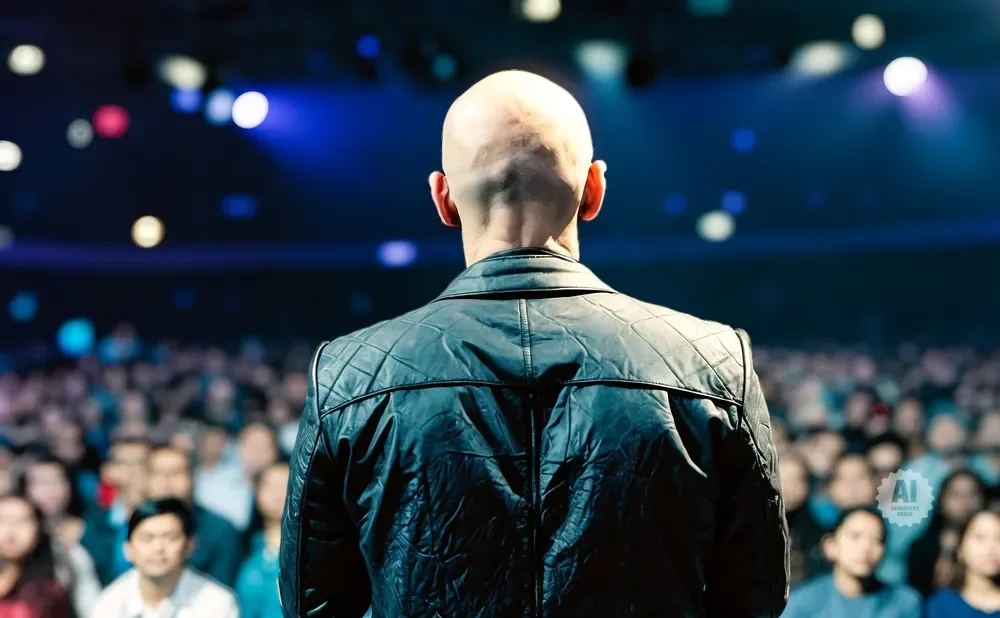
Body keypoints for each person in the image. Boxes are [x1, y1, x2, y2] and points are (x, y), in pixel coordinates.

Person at [279, 69, 789, 617]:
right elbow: (754, 598)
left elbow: (315, 603)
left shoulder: (349, 376)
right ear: (594, 190)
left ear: (443, 198)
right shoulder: (712, 363)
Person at [91, 498, 239, 618]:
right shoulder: (109, 604)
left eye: (170, 538)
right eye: (147, 538)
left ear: (190, 545)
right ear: (127, 549)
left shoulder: (218, 605)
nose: (158, 548)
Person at [781, 507, 922, 618]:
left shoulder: (904, 602)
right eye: (855, 536)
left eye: (877, 540)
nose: (866, 547)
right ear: (830, 546)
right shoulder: (803, 603)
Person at [145, 444, 244, 585]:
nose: (166, 480)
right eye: (158, 473)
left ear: (192, 477)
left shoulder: (221, 530)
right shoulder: (135, 525)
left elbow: (224, 589)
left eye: (176, 472)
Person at [80, 435, 150, 585]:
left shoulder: (171, 518)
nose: (134, 471)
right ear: (108, 472)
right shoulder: (94, 523)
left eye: (141, 463)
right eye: (125, 464)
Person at [0, 494, 71, 618]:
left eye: (22, 521)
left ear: (38, 528)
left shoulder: (56, 581)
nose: (11, 531)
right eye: (3, 520)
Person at [236, 461, 289, 618]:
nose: (279, 493)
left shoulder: (319, 548)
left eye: (287, 485)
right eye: (271, 486)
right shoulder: (241, 546)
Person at [926, 510, 1000, 617]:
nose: (991, 546)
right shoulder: (941, 605)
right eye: (980, 537)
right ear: (960, 548)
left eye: (999, 538)